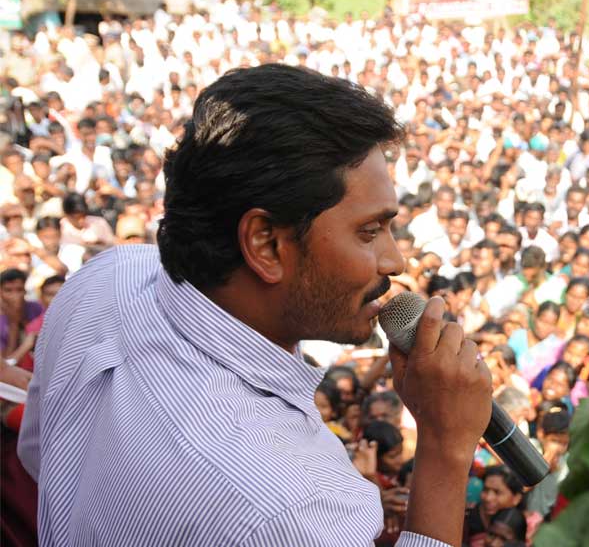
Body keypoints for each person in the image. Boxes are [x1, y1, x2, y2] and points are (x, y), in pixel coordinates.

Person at [18, 65, 493, 546]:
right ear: (265, 244)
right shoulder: (289, 509)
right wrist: (445, 447)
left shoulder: (105, 280)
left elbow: (43, 455)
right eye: (369, 232)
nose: (395, 260)